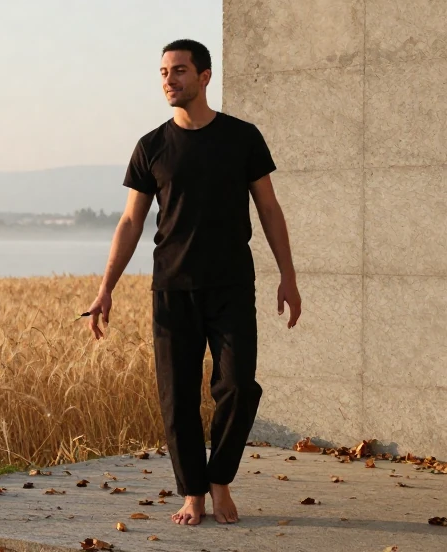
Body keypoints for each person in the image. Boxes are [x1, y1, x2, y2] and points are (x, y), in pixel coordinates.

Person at [84, 39, 301, 526]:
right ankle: (193, 493)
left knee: (239, 386)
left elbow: (269, 208)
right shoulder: (151, 146)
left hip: (230, 286)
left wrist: (288, 275)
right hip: (172, 289)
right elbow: (129, 223)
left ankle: (219, 476)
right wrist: (106, 287)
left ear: (204, 77)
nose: (169, 80)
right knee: (177, 395)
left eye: (179, 71)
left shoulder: (242, 138)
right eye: (163, 72)